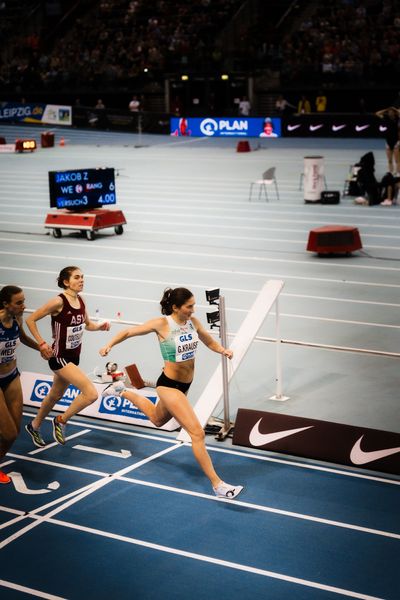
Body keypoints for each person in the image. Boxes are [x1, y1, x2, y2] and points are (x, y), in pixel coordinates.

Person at [99, 287, 243, 499]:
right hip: (168, 385)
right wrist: (108, 344)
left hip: (185, 384)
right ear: (175, 307)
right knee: (197, 433)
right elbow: (129, 332)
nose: (193, 310)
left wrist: (223, 350)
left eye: (193, 305)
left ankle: (121, 390)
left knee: (158, 419)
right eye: (189, 306)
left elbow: (208, 341)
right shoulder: (162, 324)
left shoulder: (193, 323)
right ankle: (218, 485)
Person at [25, 266, 110, 447]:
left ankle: (34, 425)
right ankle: (61, 420)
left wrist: (100, 326)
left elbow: (87, 325)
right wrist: (41, 344)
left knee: (55, 395)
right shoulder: (58, 302)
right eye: (77, 277)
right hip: (59, 357)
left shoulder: (81, 300)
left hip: (74, 356)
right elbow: (30, 319)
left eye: (83, 277)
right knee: (91, 394)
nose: (81, 280)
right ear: (66, 282)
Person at [0, 286, 41, 484]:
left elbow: (22, 338)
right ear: (6, 304)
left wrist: (40, 347)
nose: (24, 306)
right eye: (19, 303)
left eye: (24, 301)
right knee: (6, 432)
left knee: (13, 432)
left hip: (11, 375)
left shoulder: (16, 319)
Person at [375, 106, 400, 174]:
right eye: (389, 112)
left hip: (396, 141)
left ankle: (398, 173)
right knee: (389, 160)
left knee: (397, 160)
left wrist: (394, 109)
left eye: (391, 112)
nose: (390, 113)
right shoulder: (386, 118)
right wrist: (386, 109)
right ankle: (390, 172)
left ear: (394, 113)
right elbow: (377, 113)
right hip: (388, 141)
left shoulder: (397, 118)